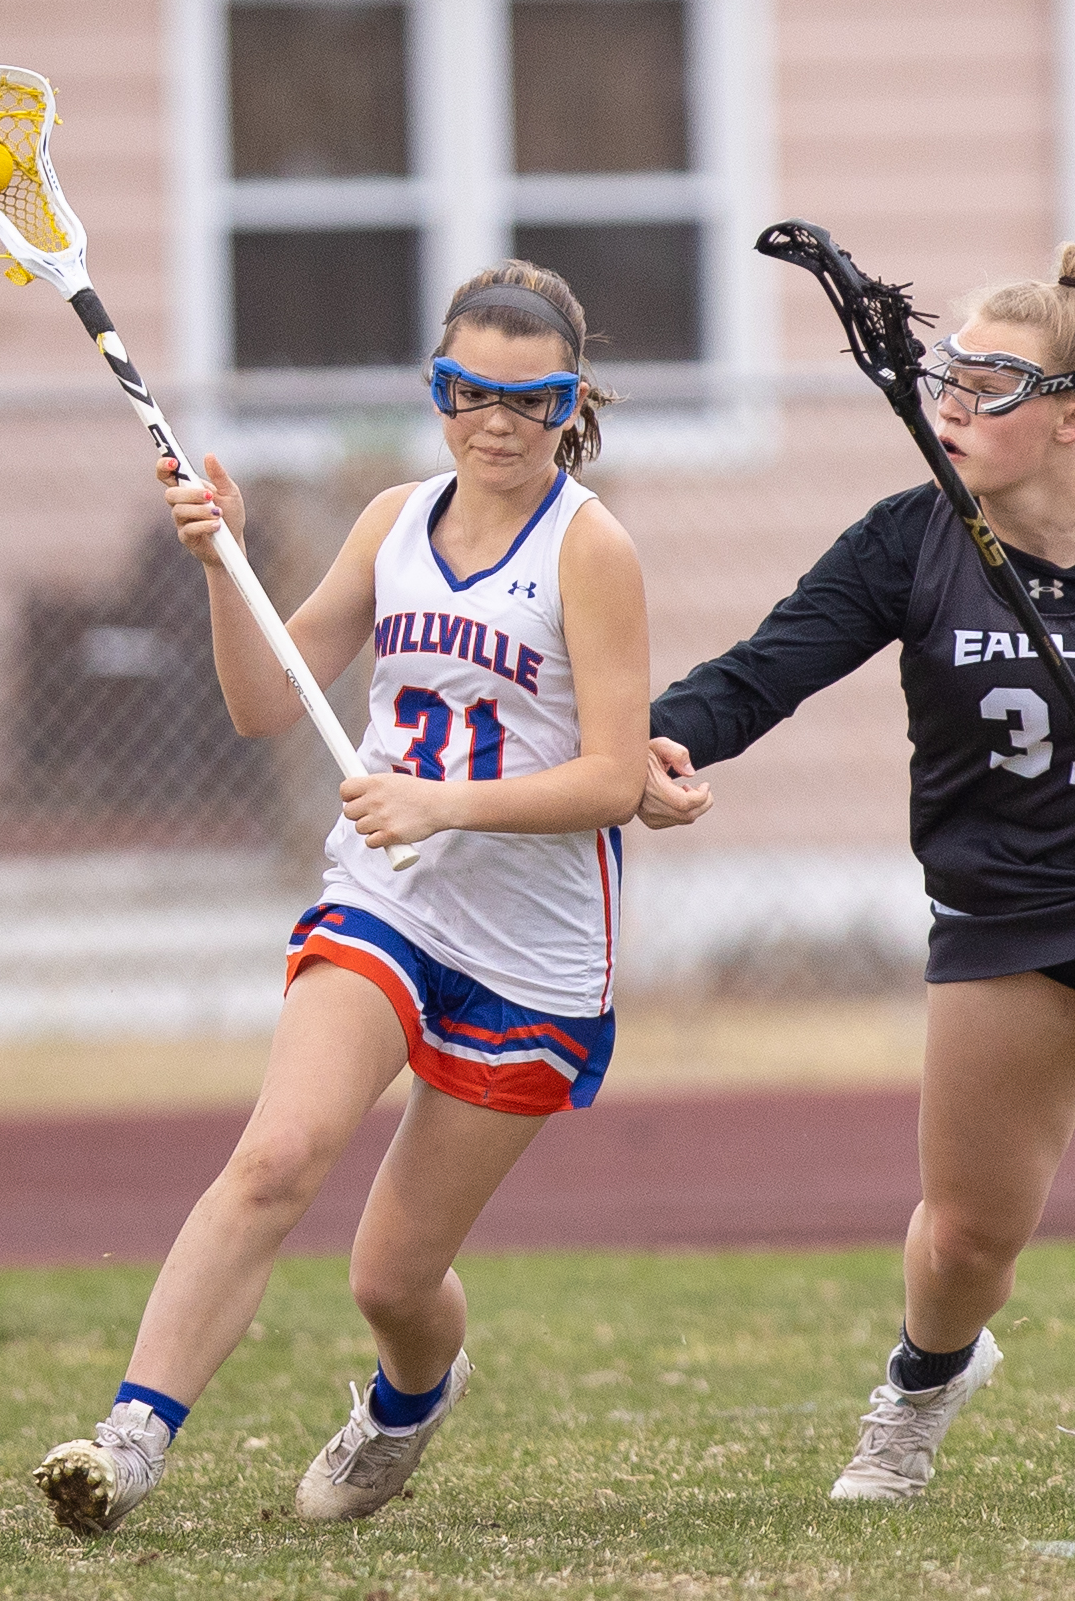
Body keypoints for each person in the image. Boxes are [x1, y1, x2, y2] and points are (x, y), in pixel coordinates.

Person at [639, 245, 1075, 1514]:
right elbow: (765, 670)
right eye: (948, 375)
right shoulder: (908, 541)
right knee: (968, 1238)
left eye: (992, 383)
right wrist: (667, 737)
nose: (954, 403)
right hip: (1006, 912)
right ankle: (926, 1378)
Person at [32, 261, 652, 1535]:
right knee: (276, 1155)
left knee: (393, 1275)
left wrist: (442, 803)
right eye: (464, 390)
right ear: (437, 389)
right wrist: (224, 562)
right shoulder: (392, 522)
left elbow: (614, 777)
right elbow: (263, 702)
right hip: (386, 902)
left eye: (525, 400)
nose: (492, 421)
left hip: (533, 949)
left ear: (570, 404)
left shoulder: (592, 550)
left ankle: (409, 1398)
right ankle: (129, 1438)